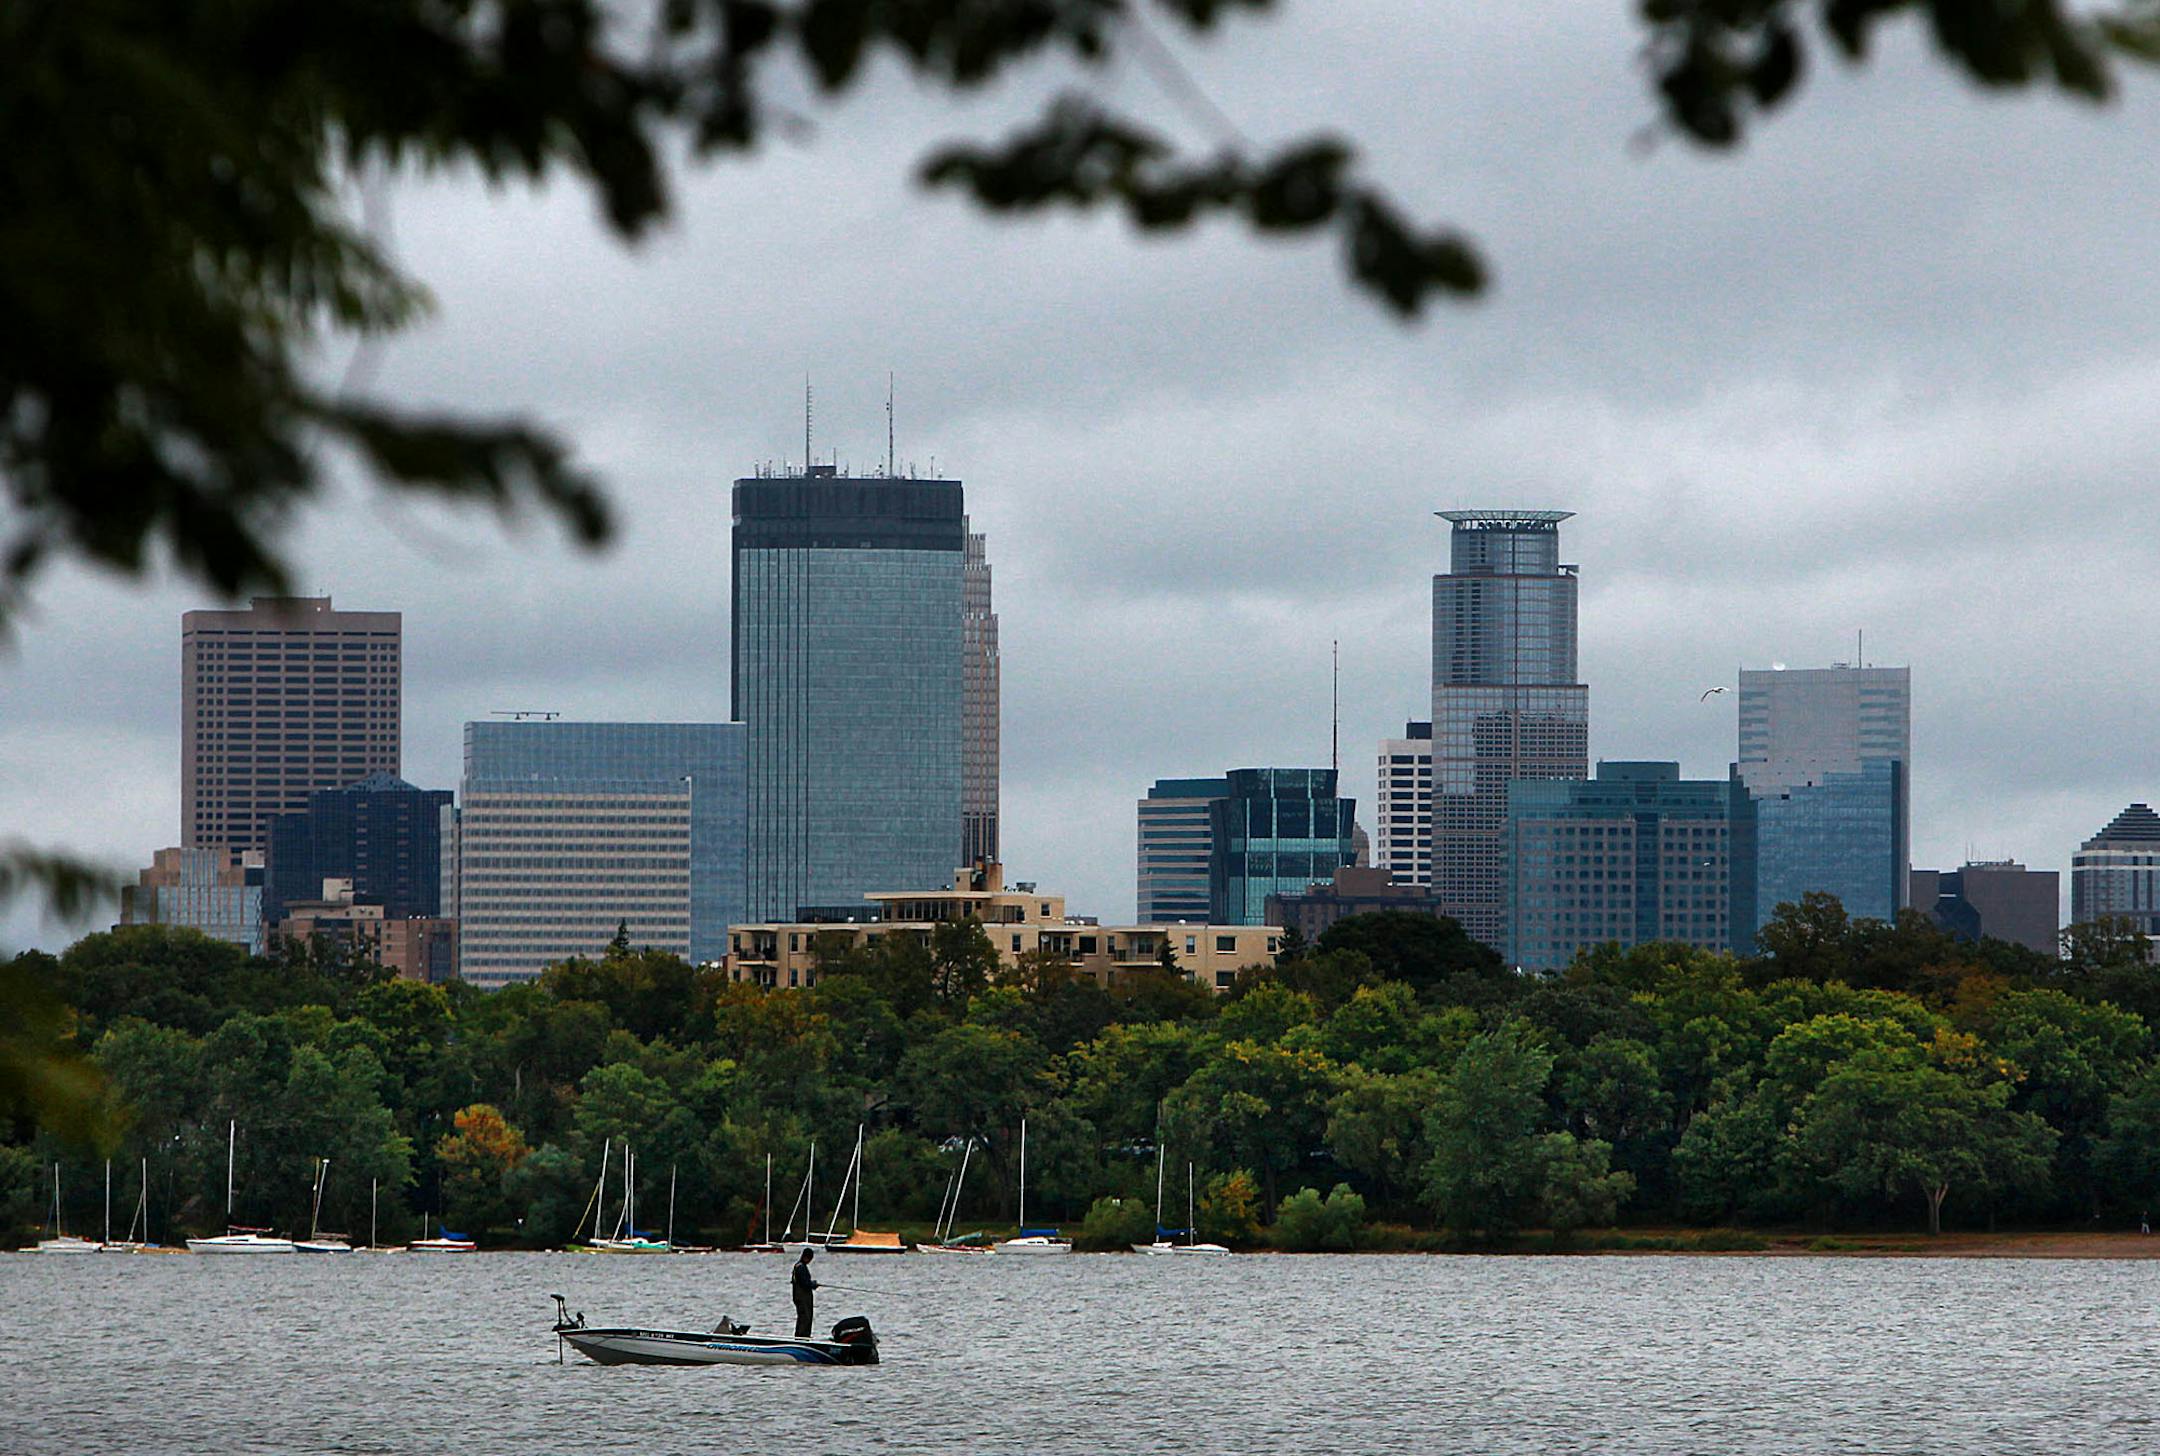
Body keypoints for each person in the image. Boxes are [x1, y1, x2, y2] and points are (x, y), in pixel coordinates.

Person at [792, 1247, 819, 1337]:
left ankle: (801, 1336)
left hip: (799, 1296)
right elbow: (805, 1283)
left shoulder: (798, 1266)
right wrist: (813, 1284)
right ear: (806, 1257)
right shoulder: (801, 1267)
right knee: (805, 1318)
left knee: (803, 1317)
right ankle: (802, 1336)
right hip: (802, 1297)